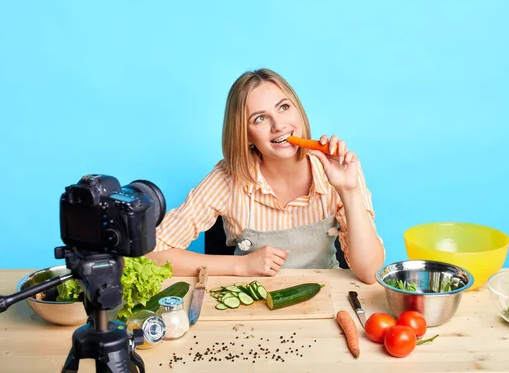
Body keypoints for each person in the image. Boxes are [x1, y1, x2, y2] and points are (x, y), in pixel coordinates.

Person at [146, 68, 385, 284]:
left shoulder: (340, 168)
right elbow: (153, 255)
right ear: (246, 134)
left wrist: (349, 190)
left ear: (298, 111)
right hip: (250, 307)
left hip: (327, 302)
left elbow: (369, 272)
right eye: (260, 118)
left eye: (284, 107)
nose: (279, 125)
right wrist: (240, 265)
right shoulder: (226, 179)